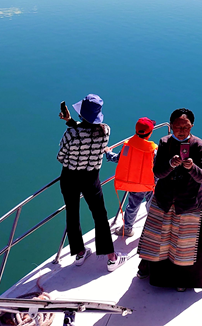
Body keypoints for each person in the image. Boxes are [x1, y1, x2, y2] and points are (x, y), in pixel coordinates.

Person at [137, 108, 202, 291]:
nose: (182, 130)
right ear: (171, 126)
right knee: (157, 240)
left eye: (186, 127)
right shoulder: (164, 142)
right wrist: (169, 165)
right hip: (165, 200)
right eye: (177, 126)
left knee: (184, 246)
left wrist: (192, 168)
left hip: (189, 203)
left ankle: (182, 280)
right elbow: (158, 172)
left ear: (192, 126)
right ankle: (153, 273)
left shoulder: (198, 145)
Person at [57, 94, 125, 272]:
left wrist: (71, 123)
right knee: (100, 215)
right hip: (91, 178)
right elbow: (88, 131)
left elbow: (61, 157)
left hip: (70, 177)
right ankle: (111, 257)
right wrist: (70, 121)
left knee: (72, 214)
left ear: (81, 114)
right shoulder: (105, 130)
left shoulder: (71, 133)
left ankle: (79, 253)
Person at [104, 117, 158, 237]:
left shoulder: (127, 146)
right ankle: (154, 226)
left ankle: (128, 229)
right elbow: (159, 167)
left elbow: (118, 159)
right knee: (152, 204)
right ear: (150, 133)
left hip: (135, 184)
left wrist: (108, 152)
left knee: (132, 206)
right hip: (150, 183)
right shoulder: (154, 151)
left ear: (136, 130)